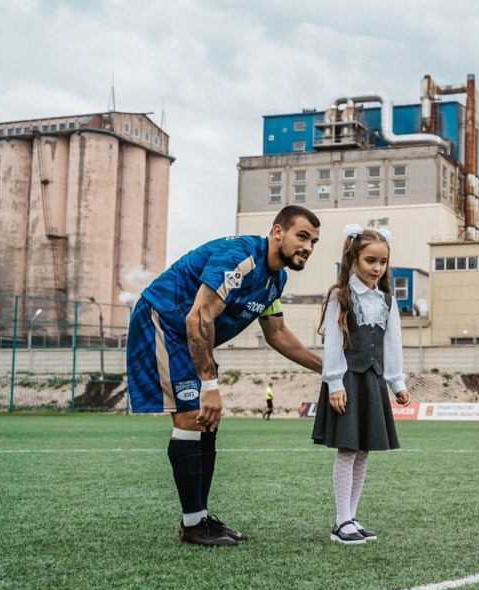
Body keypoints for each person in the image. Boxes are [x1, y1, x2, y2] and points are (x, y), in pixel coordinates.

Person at [126, 205, 324, 547]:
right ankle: (193, 525)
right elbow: (197, 317)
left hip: (190, 334)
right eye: (302, 236)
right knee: (191, 418)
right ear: (278, 232)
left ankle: (199, 520)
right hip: (163, 321)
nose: (307, 246)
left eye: (314, 242)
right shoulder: (241, 256)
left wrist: (327, 368)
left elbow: (276, 334)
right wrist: (209, 384)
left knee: (207, 421)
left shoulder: (276, 279)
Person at [312, 224, 411, 545]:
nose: (377, 268)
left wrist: (397, 382)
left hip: (372, 380)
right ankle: (341, 521)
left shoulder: (387, 299)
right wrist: (335, 383)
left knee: (363, 450)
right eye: (370, 260)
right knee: (348, 449)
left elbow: (392, 343)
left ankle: (351, 517)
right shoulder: (339, 295)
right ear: (353, 259)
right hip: (347, 380)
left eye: (382, 262)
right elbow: (332, 344)